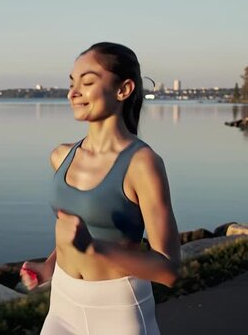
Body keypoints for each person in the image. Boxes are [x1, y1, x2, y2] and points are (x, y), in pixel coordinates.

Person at [19, 42, 180, 335]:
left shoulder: (142, 164)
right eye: (71, 83)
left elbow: (168, 271)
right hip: (63, 304)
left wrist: (94, 247)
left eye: (88, 82)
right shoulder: (61, 157)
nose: (73, 93)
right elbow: (74, 230)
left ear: (124, 89)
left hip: (118, 311)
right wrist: (49, 266)